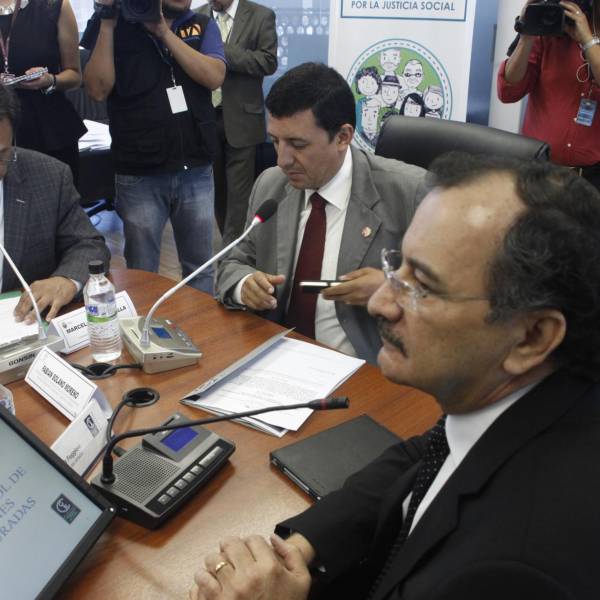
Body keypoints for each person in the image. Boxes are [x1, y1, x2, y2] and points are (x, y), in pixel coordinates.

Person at [191, 152, 600, 599]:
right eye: (397, 268)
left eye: (422, 286)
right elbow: (427, 454)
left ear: (532, 337)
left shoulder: (516, 569)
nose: (379, 303)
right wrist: (302, 547)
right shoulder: (524, 399)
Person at [216, 62, 425, 364]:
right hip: (273, 356)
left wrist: (392, 288)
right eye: (275, 141)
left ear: (342, 137)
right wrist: (244, 284)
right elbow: (232, 262)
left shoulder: (409, 194)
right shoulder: (271, 184)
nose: (282, 160)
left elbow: (461, 297)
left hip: (363, 369)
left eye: (297, 144)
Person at [81, 0, 226, 294]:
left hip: (195, 166)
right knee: (142, 269)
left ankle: (202, 322)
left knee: (200, 267)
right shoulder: (111, 24)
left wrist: (163, 32)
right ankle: (142, 322)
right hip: (139, 171)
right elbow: (97, 90)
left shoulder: (199, 24)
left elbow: (214, 77)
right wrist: (108, 21)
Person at [0, 86, 110, 323]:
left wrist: (65, 280)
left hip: (24, 325)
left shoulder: (48, 175)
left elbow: (88, 245)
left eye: (1, 155)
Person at [197, 0, 277, 246]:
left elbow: (267, 62)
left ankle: (232, 254)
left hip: (243, 119)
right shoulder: (195, 17)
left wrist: (220, 50)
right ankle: (230, 245)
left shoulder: (261, 15)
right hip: (204, 119)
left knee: (239, 196)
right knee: (217, 192)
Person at [498, 0, 600, 190]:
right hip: (540, 170)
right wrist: (527, 33)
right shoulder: (547, 29)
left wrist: (587, 41)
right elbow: (508, 91)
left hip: (591, 178)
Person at [0, 0, 86, 184]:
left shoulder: (53, 5)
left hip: (47, 128)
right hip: (4, 125)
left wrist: (50, 80)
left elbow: (74, 75)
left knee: (54, 194)